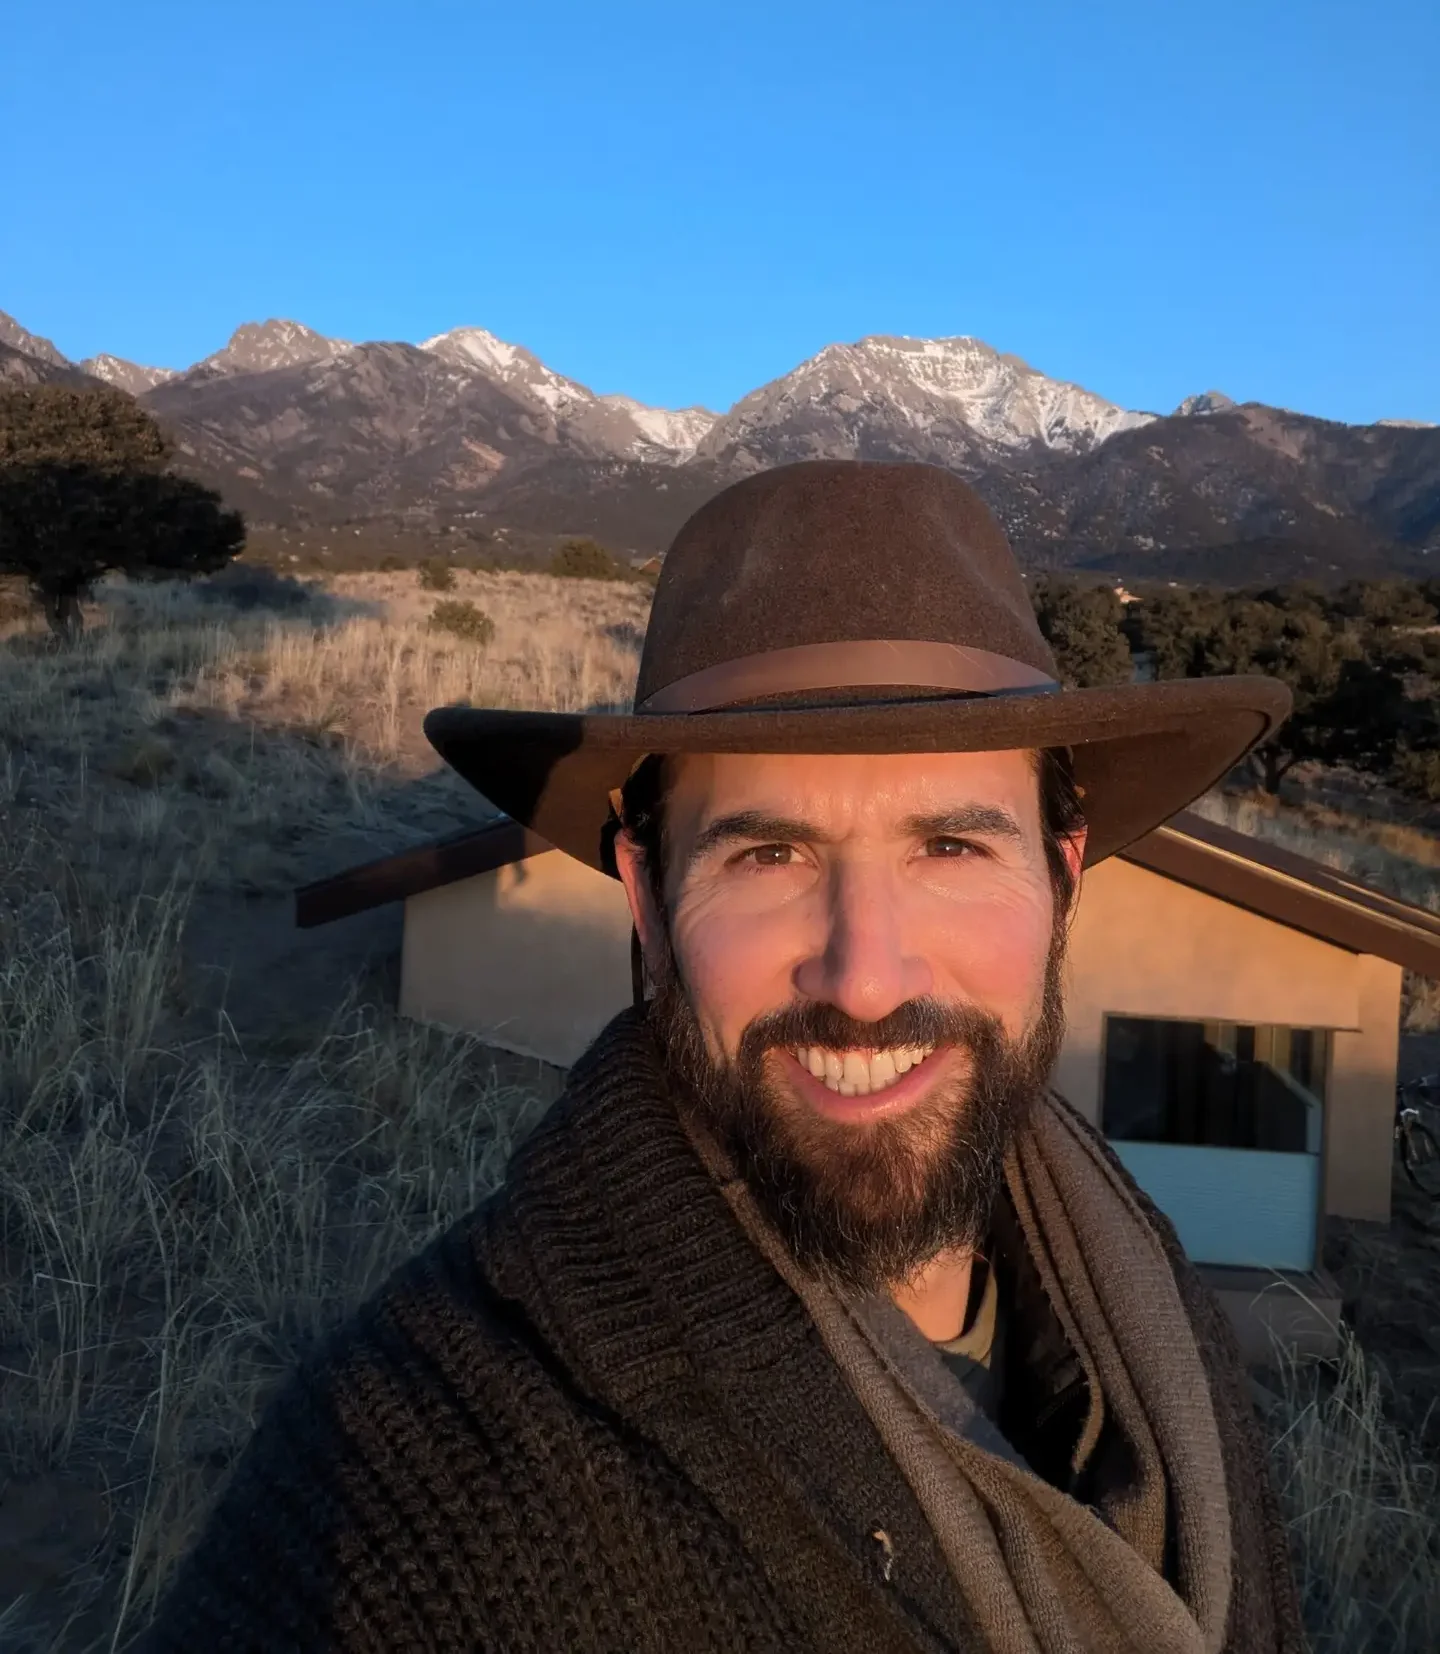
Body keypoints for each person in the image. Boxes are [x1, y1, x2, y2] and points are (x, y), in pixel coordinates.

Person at [142, 461, 1304, 1652]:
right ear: (648, 899)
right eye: (768, 856)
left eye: (952, 847)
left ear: (1061, 880)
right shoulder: (401, 1493)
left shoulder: (1149, 1299)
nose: (864, 979)